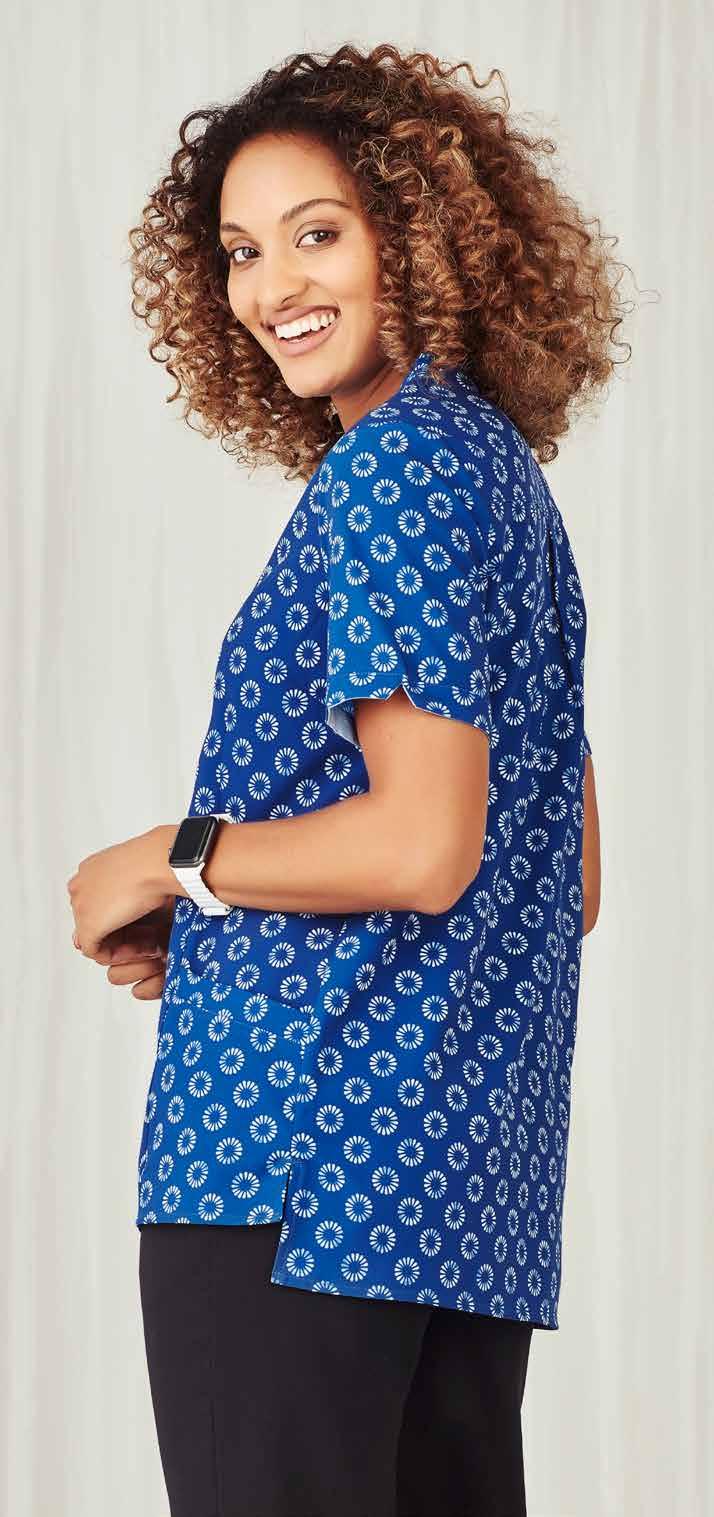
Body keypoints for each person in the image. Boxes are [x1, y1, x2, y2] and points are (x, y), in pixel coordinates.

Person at [67, 41, 612, 1517]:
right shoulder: (495, 476)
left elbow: (424, 846)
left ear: (418, 241)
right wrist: (245, 911)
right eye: (242, 249)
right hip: (457, 1186)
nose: (271, 286)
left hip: (289, 1169)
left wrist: (172, 858)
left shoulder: (391, 475)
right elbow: (555, 877)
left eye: (318, 232)